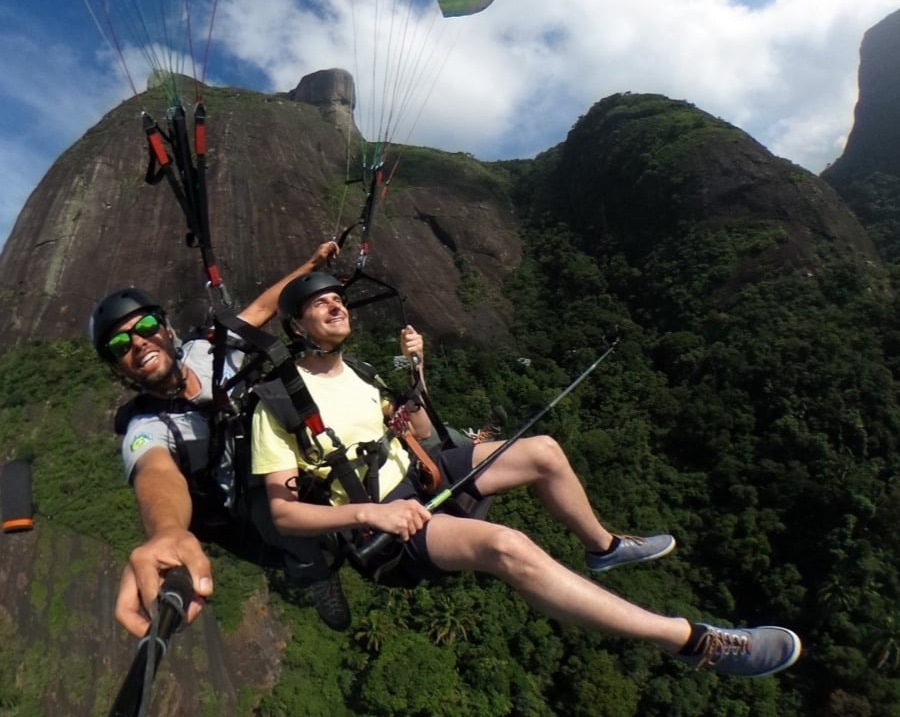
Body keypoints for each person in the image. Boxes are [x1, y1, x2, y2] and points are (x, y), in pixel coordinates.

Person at [251, 274, 801, 677]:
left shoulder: (363, 372)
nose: (335, 305)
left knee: (543, 452)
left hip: (420, 474)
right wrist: (375, 513)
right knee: (506, 545)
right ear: (297, 325)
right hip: (382, 524)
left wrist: (417, 368)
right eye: (319, 303)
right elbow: (284, 513)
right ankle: (690, 641)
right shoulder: (278, 403)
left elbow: (420, 426)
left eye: (338, 299)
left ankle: (604, 547)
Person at [91, 242, 352, 638]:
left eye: (145, 328)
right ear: (117, 368)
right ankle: (317, 574)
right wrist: (166, 532)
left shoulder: (205, 351)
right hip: (245, 502)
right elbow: (155, 473)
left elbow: (260, 311)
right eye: (119, 345)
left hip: (280, 445)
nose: (138, 343)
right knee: (287, 526)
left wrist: (311, 265)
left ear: (168, 330)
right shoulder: (146, 428)